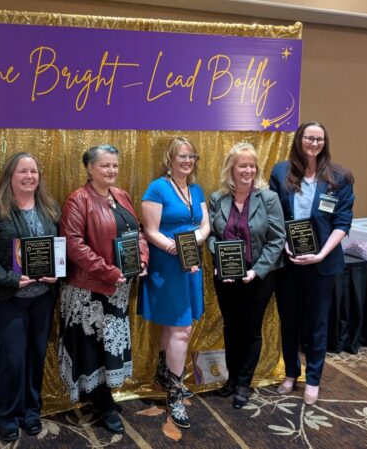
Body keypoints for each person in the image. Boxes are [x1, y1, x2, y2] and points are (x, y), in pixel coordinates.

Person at [58, 144, 149, 435]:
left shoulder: (121, 196)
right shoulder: (78, 199)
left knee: (110, 346)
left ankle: (103, 396)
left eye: (115, 165)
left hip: (118, 288)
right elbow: (74, 244)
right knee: (92, 349)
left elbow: (138, 233)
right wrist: (108, 271)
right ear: (90, 168)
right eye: (105, 165)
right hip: (90, 290)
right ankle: (102, 402)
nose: (111, 170)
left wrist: (143, 259)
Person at [0, 152, 60, 442]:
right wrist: (8, 278)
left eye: (34, 171)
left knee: (35, 356)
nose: (29, 176)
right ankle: (7, 415)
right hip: (6, 298)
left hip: (42, 297)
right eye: (23, 171)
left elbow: (58, 246)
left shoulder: (49, 208)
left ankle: (31, 412)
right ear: (10, 175)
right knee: (11, 358)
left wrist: (57, 271)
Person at [269, 120, 355, 405]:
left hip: (322, 263)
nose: (313, 143)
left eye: (319, 139)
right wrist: (283, 244)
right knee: (289, 320)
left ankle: (314, 379)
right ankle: (291, 373)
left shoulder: (339, 177)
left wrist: (321, 254)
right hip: (289, 261)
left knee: (317, 324)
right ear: (299, 140)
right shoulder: (281, 172)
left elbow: (343, 223)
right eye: (309, 138)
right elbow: (274, 216)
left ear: (325, 142)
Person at [138, 137, 210, 429]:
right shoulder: (157, 188)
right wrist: (175, 248)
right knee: (181, 327)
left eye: (192, 156)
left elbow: (205, 225)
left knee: (176, 325)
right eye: (182, 156)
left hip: (190, 264)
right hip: (167, 265)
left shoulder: (196, 189)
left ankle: (164, 375)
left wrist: (197, 240)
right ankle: (175, 394)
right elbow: (151, 230)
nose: (188, 161)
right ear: (170, 159)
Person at [207, 142, 286, 409]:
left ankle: (243, 383)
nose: (248, 170)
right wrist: (219, 262)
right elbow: (212, 237)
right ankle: (231, 379)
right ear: (232, 168)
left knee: (251, 330)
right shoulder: (218, 198)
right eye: (243, 165)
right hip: (226, 278)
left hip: (259, 276)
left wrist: (257, 270)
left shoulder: (269, 198)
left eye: (252, 165)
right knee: (231, 327)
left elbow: (277, 239)